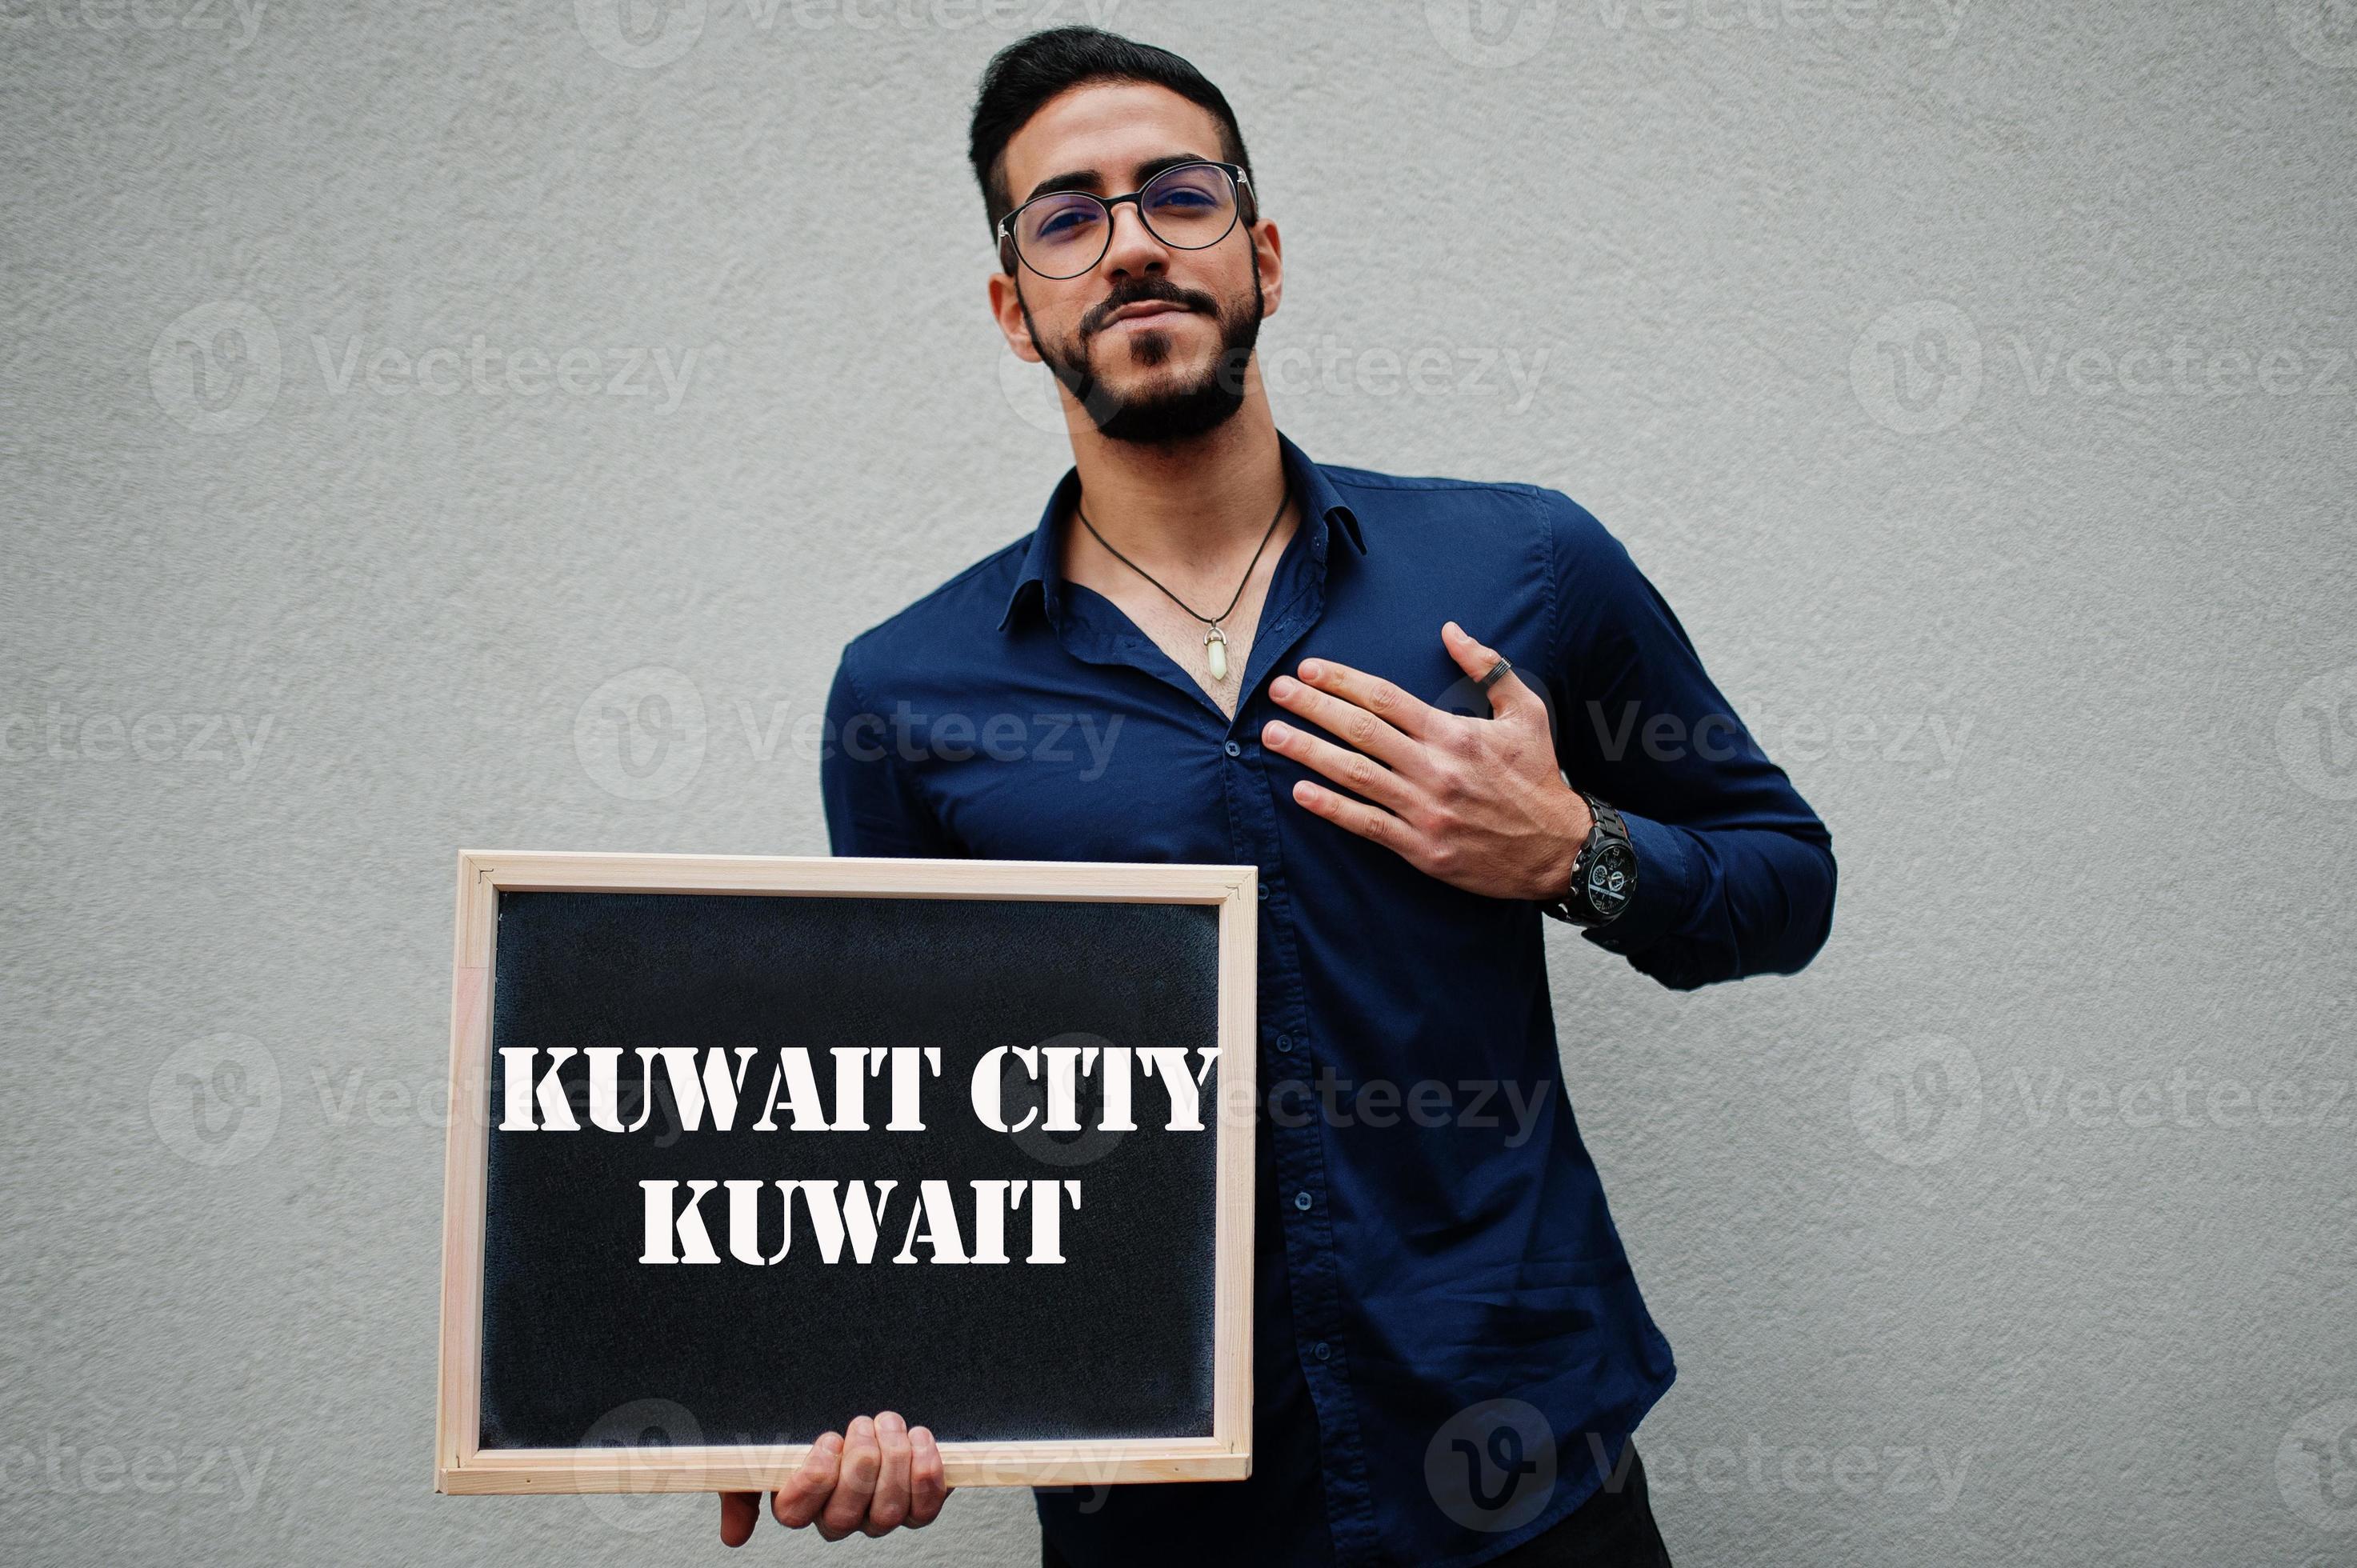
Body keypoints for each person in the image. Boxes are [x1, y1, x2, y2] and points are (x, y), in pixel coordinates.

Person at [719, 26, 1835, 1566]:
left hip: (1528, 1495)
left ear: (1262, 253)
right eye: (1066, 217)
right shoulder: (908, 698)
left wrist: (1570, 853)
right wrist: (857, 1396)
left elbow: (1787, 887)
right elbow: (916, 1146)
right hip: (1158, 1519)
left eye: (1176, 196)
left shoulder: (1522, 565)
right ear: (1012, 307)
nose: (1128, 247)